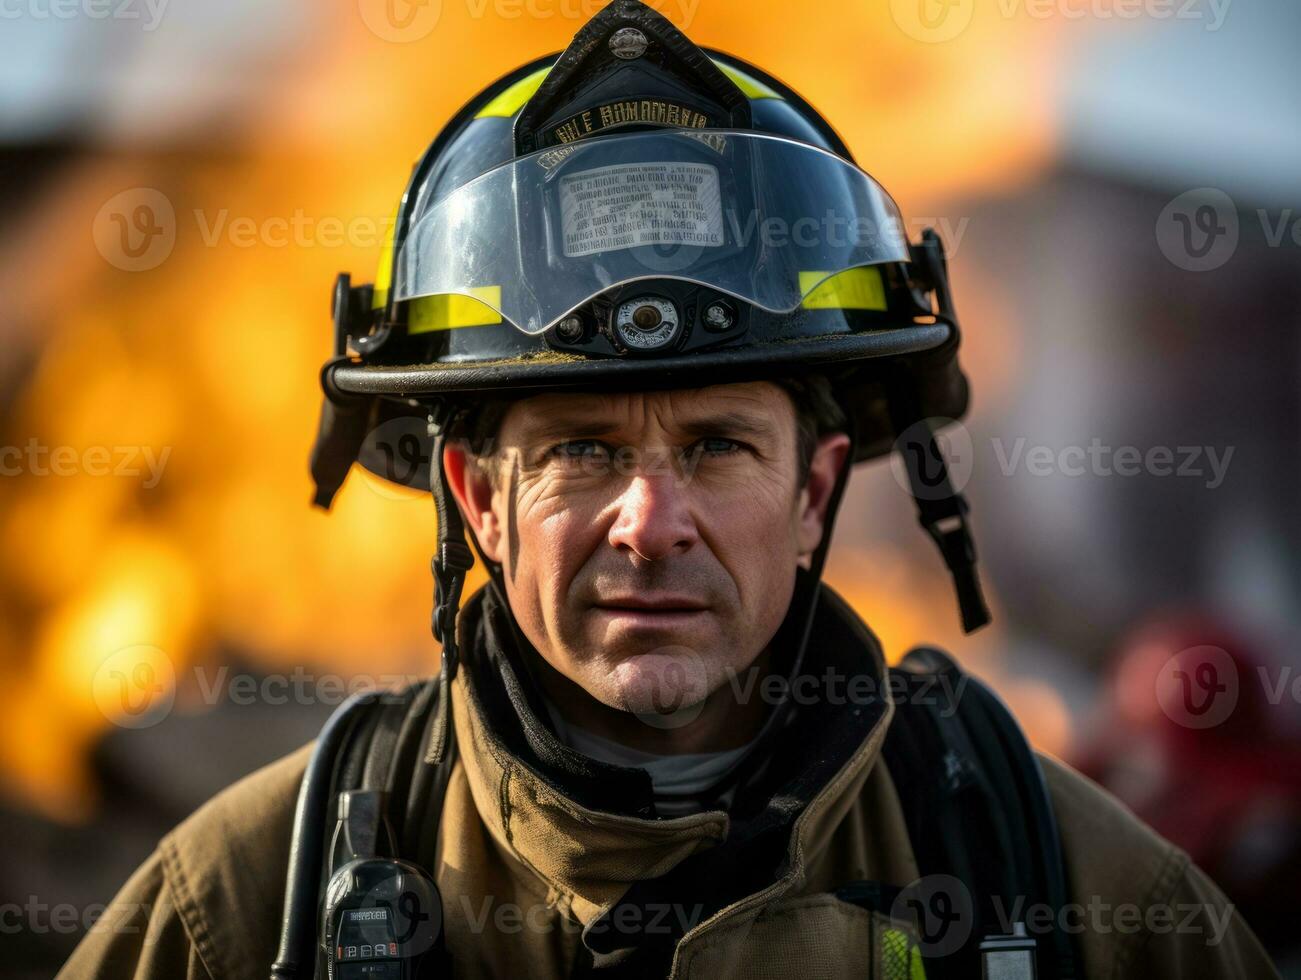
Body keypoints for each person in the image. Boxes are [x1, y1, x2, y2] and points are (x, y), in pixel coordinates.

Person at [59, 2, 1278, 977]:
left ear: (813, 491)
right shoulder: (244, 909)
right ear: (475, 499)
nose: (650, 522)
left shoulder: (1069, 888)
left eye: (714, 446)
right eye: (582, 448)